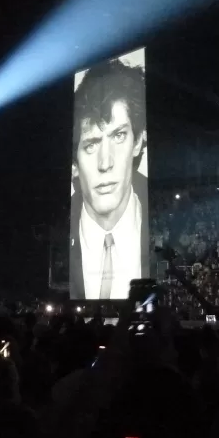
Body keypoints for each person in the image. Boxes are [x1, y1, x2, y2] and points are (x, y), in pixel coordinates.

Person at [69, 57, 149, 300]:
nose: (106, 163)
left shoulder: (166, 221)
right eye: (91, 144)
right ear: (74, 161)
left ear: (137, 142)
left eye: (118, 136)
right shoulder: (59, 231)